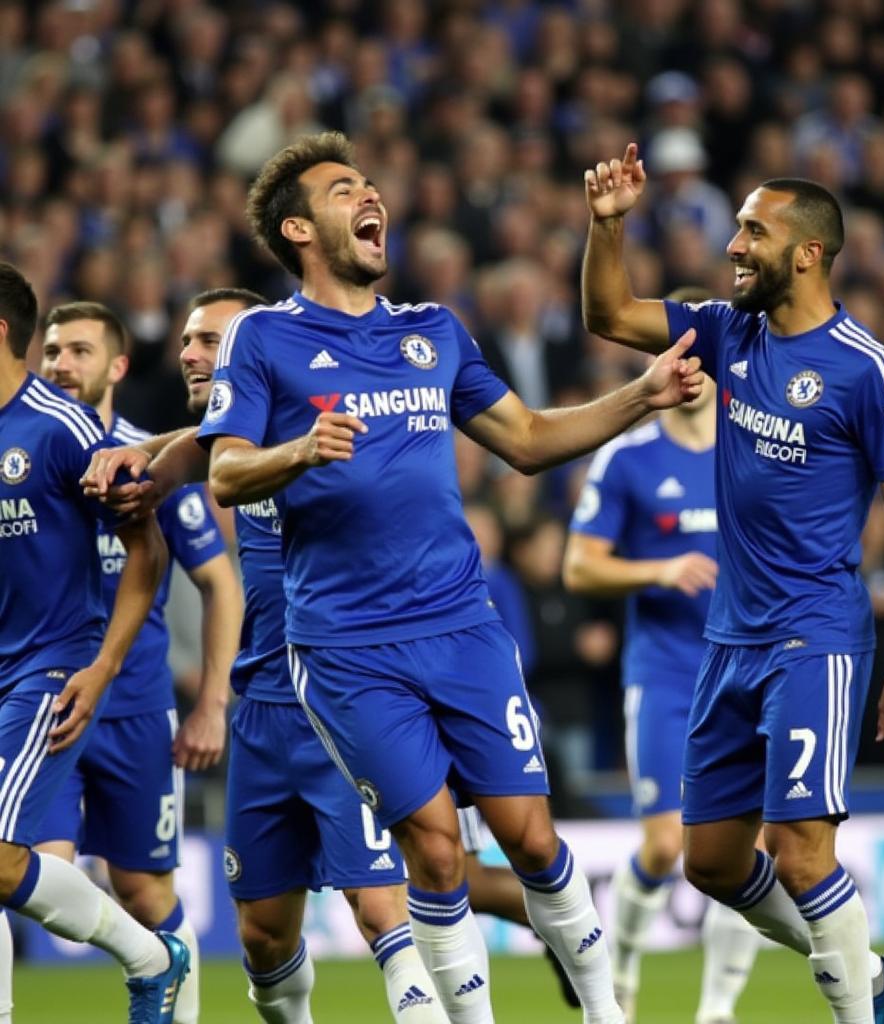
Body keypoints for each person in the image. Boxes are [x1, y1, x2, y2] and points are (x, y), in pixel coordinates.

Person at [196, 131, 701, 1024]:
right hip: (346, 646)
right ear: (299, 230)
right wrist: (298, 451)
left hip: (462, 626)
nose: (368, 195)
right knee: (432, 851)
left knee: (530, 837)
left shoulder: (432, 331)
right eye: (342, 188)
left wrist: (640, 394)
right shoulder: (261, 340)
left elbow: (530, 439)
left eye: (369, 182)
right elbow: (225, 475)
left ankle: (602, 1012)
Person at [581, 143, 884, 1024]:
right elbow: (607, 315)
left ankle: (857, 1007)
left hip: (815, 634)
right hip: (727, 640)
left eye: (752, 230)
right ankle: (862, 966)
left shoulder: (870, 370)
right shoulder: (727, 330)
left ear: (808, 252)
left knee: (802, 852)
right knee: (710, 865)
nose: (733, 245)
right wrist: (607, 226)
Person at [91, 287, 450, 1024]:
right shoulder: (231, 448)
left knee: (381, 908)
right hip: (262, 708)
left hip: (342, 693)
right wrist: (140, 450)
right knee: (261, 933)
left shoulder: (330, 427)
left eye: (208, 340)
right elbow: (192, 451)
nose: (190, 353)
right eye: (186, 339)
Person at [31, 300, 243, 1024]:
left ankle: (180, 1008)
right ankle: (143, 962)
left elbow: (219, 583)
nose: (62, 363)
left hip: (134, 712)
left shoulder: (149, 464)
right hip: (45, 702)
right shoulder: (23, 451)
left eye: (81, 351)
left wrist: (213, 702)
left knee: (146, 891)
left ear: (117, 366)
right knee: (32, 870)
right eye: (53, 349)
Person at [563, 289, 760, 1024]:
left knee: (745, 845)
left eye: (701, 360)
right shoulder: (627, 460)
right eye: (678, 359)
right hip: (666, 670)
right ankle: (626, 965)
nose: (690, 372)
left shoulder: (751, 446)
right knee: (662, 842)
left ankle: (717, 1010)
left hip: (746, 665)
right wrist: (658, 570)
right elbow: (579, 568)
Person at [0, 261, 189, 1023]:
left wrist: (103, 666)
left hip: (49, 667)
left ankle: (149, 955)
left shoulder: (62, 428)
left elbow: (146, 550)